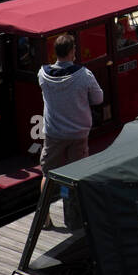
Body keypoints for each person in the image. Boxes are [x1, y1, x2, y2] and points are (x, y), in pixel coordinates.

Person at [38, 34, 103, 225]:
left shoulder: (42, 74)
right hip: (78, 133)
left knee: (48, 175)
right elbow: (98, 99)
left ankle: (45, 218)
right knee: (76, 175)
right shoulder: (83, 75)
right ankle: (74, 218)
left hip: (54, 133)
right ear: (72, 51)